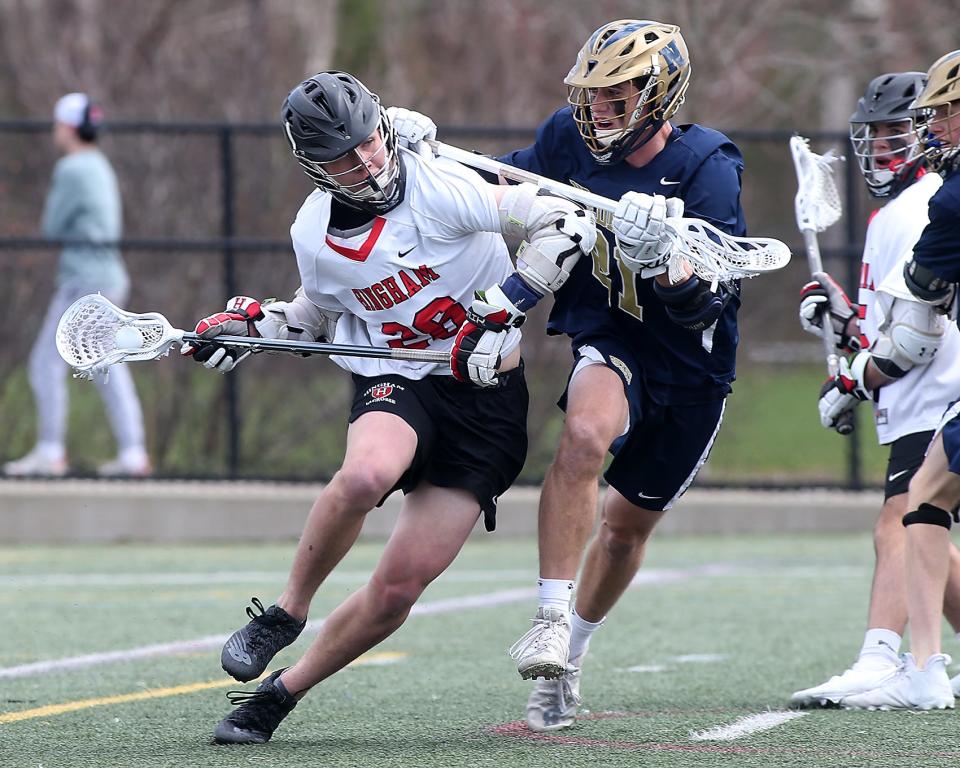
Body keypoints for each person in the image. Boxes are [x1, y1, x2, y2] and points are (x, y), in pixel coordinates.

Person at [193, 71, 597, 745]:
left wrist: (506, 307)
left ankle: (277, 697)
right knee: (365, 474)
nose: (366, 162)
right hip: (395, 378)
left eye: (370, 142)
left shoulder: (441, 184)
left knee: (397, 589)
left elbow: (563, 223)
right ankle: (288, 612)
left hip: (487, 406)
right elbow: (317, 318)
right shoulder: (314, 233)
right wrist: (251, 330)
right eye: (343, 158)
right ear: (312, 167)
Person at [392, 19, 744, 732]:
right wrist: (418, 157)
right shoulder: (566, 138)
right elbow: (497, 179)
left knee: (623, 532)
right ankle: (550, 621)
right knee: (582, 437)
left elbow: (711, 301)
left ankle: (575, 649)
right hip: (610, 338)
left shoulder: (708, 165)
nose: (598, 110)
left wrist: (663, 260)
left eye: (617, 95)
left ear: (660, 92)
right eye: (592, 95)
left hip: (689, 368)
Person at [790, 71, 960, 708]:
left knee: (902, 518)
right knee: (924, 525)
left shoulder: (922, 206)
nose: (884, 145)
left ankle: (883, 659)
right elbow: (895, 323)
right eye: (877, 133)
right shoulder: (906, 208)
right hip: (928, 389)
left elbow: (918, 337)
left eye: (898, 130)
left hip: (935, 390)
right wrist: (843, 319)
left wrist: (852, 379)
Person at [3, 93, 150, 478]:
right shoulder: (100, 165)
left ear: (67, 128)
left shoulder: (72, 168)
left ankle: (51, 451)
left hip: (84, 283)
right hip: (109, 279)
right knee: (108, 364)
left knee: (44, 364)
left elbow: (52, 226)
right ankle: (133, 454)